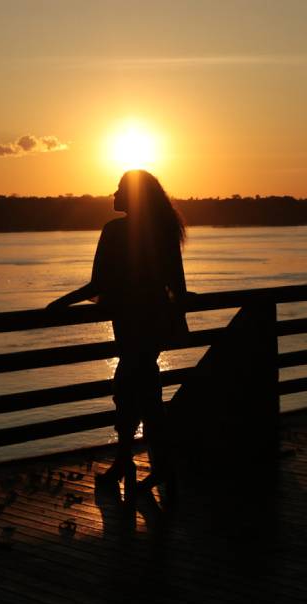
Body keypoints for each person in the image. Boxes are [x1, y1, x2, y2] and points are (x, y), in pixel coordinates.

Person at [48, 169, 191, 497]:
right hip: (153, 324)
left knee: (133, 393)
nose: (114, 194)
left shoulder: (114, 231)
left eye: (120, 189)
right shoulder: (164, 231)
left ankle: (147, 466)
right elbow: (177, 286)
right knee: (138, 393)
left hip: (130, 323)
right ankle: (136, 464)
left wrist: (61, 302)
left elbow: (98, 284)